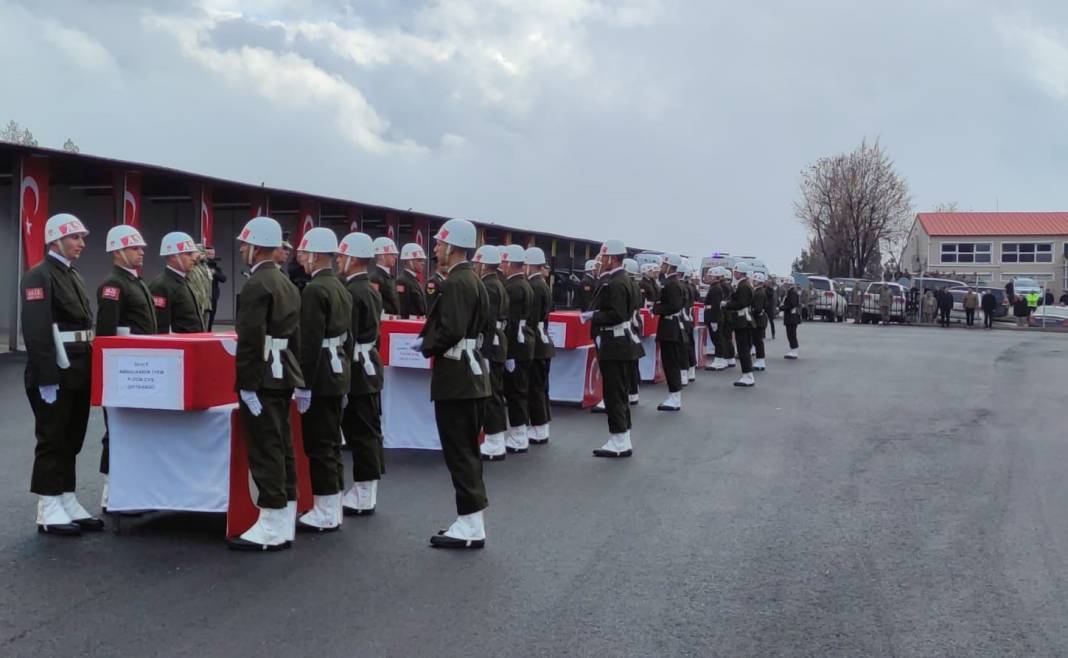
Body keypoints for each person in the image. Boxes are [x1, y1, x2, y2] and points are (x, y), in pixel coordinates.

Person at [22, 213, 103, 535]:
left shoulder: (72, 275)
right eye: (75, 238)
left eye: (82, 238)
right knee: (52, 438)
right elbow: (37, 330)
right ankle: (48, 504)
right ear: (55, 240)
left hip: (79, 368)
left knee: (72, 438)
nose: (81, 244)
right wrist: (46, 378)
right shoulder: (39, 276)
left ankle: (67, 498)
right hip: (56, 369)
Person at [228, 216, 305, 552]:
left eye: (246, 244)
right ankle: (284, 515)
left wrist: (245, 383)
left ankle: (271, 520)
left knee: (265, 447)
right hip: (282, 371)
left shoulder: (257, 284)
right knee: (282, 444)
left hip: (262, 374)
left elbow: (249, 339)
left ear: (257, 246)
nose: (243, 250)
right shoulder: (285, 282)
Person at [415, 218, 491, 549]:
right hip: (471, 374)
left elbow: (452, 328)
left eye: (439, 244)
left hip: (457, 377)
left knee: (459, 451)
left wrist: (426, 344)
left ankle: (470, 523)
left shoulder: (456, 283)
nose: (435, 249)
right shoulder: (473, 281)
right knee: (466, 450)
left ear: (453, 247)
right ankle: (470, 520)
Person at [293, 227, 351, 533]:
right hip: (338, 370)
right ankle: (332, 505)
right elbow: (348, 339)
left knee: (319, 445)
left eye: (304, 253)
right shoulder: (340, 285)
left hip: (322, 376)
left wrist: (303, 384)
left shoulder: (315, 290)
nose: (301, 259)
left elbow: (309, 343)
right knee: (331, 443)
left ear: (315, 255)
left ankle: (325, 509)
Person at [96, 225, 158, 511]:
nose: (141, 252)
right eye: (135, 248)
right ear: (118, 251)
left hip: (142, 366)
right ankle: (111, 490)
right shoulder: (113, 285)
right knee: (117, 429)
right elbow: (108, 333)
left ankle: (132, 488)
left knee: (137, 429)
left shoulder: (137, 282)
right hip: (125, 370)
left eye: (141, 247)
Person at [336, 232, 385, 517]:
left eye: (342, 256)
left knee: (362, 430)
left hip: (357, 368)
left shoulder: (353, 292)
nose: (339, 261)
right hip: (369, 364)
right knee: (368, 428)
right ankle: (367, 488)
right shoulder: (370, 288)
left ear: (353, 258)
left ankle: (364, 490)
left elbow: (348, 337)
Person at [584, 239, 638, 457]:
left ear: (614, 258)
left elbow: (616, 314)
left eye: (604, 257)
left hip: (615, 343)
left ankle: (618, 438)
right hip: (623, 342)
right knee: (620, 392)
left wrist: (593, 315)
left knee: (614, 392)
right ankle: (622, 436)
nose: (601, 261)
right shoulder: (626, 280)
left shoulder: (615, 282)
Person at [474, 245, 510, 461]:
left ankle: (494, 440)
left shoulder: (488, 287)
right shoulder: (498, 284)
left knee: (492, 393)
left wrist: (481, 346)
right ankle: (495, 438)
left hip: (489, 343)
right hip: (497, 340)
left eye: (478, 263)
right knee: (495, 391)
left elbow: (485, 320)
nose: (476, 267)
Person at [500, 245, 535, 453]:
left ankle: (518, 434)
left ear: (508, 263)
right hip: (525, 340)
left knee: (514, 391)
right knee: (519, 389)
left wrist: (508, 352)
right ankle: (519, 431)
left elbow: (510, 323)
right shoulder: (526, 284)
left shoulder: (513, 288)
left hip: (516, 344)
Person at [523, 247, 555, 446]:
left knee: (535, 387)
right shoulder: (541, 284)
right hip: (543, 340)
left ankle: (538, 426)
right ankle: (541, 425)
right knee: (540, 387)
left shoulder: (534, 286)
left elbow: (531, 319)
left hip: (536, 342)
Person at [149, 232, 205, 334]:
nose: (193, 258)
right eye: (188, 254)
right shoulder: (161, 286)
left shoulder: (183, 280)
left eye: (193, 253)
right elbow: (160, 327)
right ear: (173, 257)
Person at [653, 253, 687, 410]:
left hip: (670, 328)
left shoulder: (671, 284)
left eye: (663, 264)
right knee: (671, 362)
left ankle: (674, 396)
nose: (661, 267)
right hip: (672, 327)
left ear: (670, 266)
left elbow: (674, 306)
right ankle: (674, 395)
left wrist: (656, 308)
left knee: (670, 363)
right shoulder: (674, 282)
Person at [725, 262, 756, 387]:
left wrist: (727, 304)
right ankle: (747, 374)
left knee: (743, 349)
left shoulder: (743, 286)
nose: (734, 273)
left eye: (735, 271)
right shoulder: (744, 285)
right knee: (743, 348)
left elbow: (741, 303)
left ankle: (748, 375)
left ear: (740, 272)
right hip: (744, 320)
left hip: (742, 320)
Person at [622, 258, 645, 405]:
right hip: (634, 324)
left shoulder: (626, 285)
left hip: (628, 326)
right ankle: (634, 390)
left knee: (627, 362)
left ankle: (630, 390)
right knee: (633, 361)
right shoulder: (636, 285)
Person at [703, 267, 728, 370]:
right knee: (717, 338)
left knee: (717, 339)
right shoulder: (714, 287)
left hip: (715, 317)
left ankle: (719, 359)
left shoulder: (716, 288)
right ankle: (720, 359)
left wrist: (714, 320)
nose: (707, 277)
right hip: (714, 316)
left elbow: (716, 305)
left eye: (709, 275)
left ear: (714, 277)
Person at [368, 236, 401, 316]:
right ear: (380, 256)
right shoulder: (375, 278)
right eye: (391, 254)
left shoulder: (390, 277)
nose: (395, 257)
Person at [397, 243, 428, 318]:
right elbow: (403, 308)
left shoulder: (413, 280)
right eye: (419, 260)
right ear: (409, 261)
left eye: (423, 260)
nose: (423, 263)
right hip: (409, 324)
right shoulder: (402, 281)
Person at [750, 272, 769, 371]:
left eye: (754, 280)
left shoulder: (759, 293)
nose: (753, 282)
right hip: (760, 319)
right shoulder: (759, 291)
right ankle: (760, 359)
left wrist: (751, 310)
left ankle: (761, 360)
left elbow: (758, 308)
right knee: (758, 341)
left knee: (758, 341)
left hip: (759, 320)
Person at [205, 246, 226, 331]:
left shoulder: (216, 268)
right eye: (208, 254)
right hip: (203, 296)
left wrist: (214, 272)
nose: (211, 256)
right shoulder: (200, 266)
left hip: (213, 296)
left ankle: (209, 331)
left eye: (212, 254)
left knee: (211, 316)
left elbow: (223, 279)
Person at [780, 276, 801, 359]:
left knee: (791, 334)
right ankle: (793, 349)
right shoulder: (790, 292)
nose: (785, 285)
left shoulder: (792, 292)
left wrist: (781, 308)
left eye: (786, 283)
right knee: (790, 333)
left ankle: (794, 350)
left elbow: (791, 305)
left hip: (792, 316)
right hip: (791, 316)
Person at [765, 276, 777, 340]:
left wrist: (766, 289)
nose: (766, 283)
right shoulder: (764, 288)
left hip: (769, 307)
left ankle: (773, 334)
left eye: (768, 283)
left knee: (771, 321)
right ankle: (763, 334)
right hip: (765, 307)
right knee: (764, 321)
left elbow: (771, 294)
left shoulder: (770, 289)